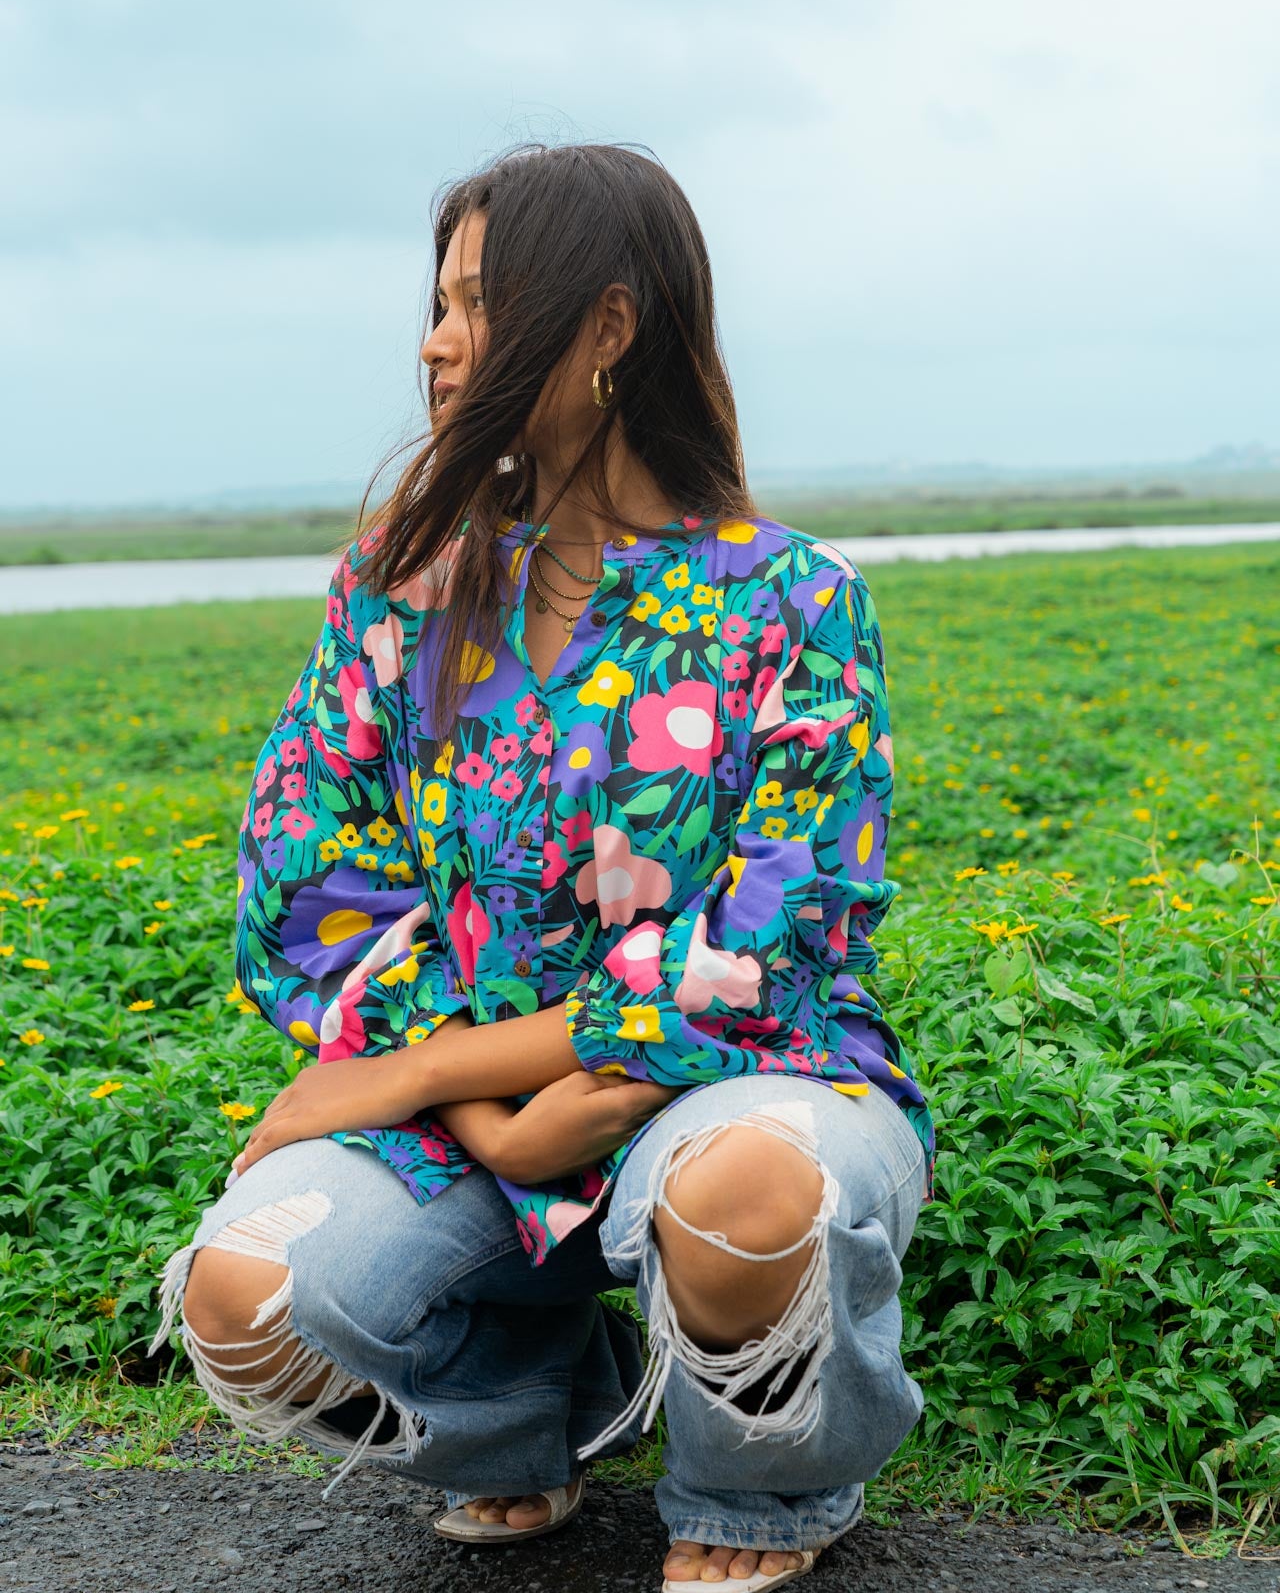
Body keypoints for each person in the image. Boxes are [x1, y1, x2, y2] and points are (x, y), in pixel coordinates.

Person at [148, 141, 936, 1593]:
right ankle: (525, 1424)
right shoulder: (404, 578)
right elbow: (307, 882)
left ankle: (761, 1487)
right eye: (433, 305)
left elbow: (779, 934)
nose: (436, 344)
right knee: (246, 1300)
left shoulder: (795, 596)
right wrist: (485, 1101)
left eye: (471, 305)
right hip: (482, 1097)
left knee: (746, 1193)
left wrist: (414, 1080)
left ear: (609, 330)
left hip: (730, 1087)